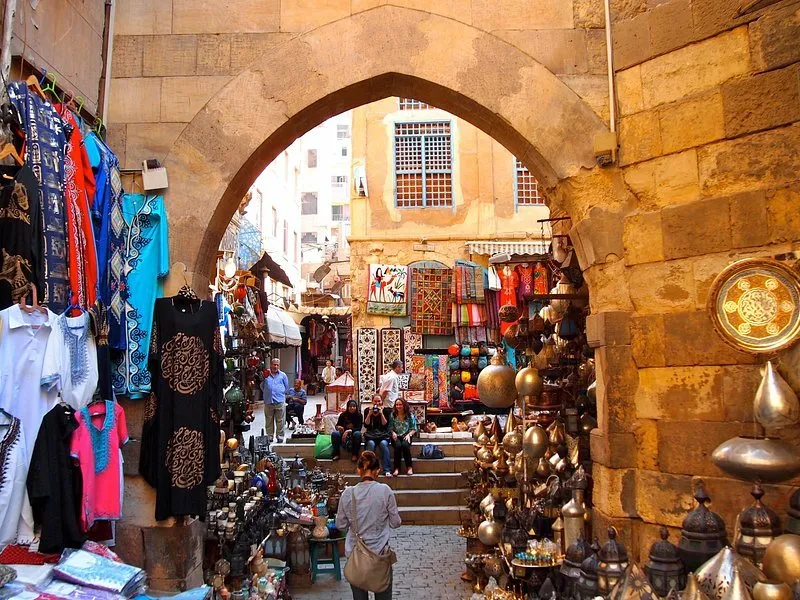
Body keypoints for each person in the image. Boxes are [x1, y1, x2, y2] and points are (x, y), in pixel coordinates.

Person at [335, 451, 401, 600]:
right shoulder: (385, 491)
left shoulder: (347, 494)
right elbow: (396, 523)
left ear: (358, 470)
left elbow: (341, 525)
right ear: (378, 470)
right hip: (380, 554)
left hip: (355, 555)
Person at [363, 394, 392, 477]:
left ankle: (387, 470)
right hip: (371, 435)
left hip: (383, 435)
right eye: (375, 401)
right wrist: (369, 414)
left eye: (379, 401)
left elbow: (385, 425)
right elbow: (366, 425)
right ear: (372, 401)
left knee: (383, 444)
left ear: (381, 401)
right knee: (371, 444)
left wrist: (381, 413)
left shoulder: (386, 411)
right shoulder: (367, 410)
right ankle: (369, 469)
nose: (377, 403)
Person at [261, 358, 289, 443]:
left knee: (280, 420)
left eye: (277, 365)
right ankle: (270, 436)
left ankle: (280, 436)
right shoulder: (265, 375)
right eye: (274, 364)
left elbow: (286, 387)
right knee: (269, 420)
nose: (275, 366)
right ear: (271, 365)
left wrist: (280, 393)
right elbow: (261, 386)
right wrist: (267, 392)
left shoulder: (283, 375)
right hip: (268, 401)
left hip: (279, 400)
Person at [389, 398, 417, 476]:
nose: (398, 406)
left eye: (400, 404)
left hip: (407, 435)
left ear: (404, 405)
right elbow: (390, 427)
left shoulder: (409, 415)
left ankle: (409, 467)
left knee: (405, 446)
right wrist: (393, 433)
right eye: (397, 404)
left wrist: (409, 435)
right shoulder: (392, 415)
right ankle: (396, 468)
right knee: (397, 446)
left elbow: (414, 428)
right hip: (396, 435)